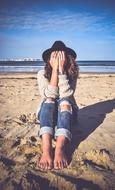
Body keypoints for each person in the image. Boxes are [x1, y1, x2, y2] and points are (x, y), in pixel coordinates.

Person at [37, 41, 79, 170]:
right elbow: (50, 94)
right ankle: (46, 149)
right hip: (48, 112)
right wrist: (55, 70)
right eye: (55, 56)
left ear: (67, 57)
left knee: (65, 102)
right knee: (49, 99)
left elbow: (66, 94)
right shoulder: (41, 74)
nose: (58, 58)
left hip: (68, 112)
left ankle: (59, 149)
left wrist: (61, 71)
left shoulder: (72, 72)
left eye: (61, 55)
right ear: (50, 59)